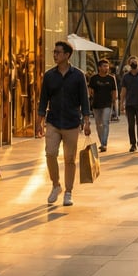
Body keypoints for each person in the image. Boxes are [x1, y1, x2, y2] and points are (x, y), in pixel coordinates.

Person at [37, 41, 92, 207]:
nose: (55, 55)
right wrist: (39, 121)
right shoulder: (49, 76)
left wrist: (87, 121)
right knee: (50, 154)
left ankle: (68, 192)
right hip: (53, 121)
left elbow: (84, 100)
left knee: (69, 159)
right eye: (54, 52)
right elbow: (43, 100)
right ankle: (56, 185)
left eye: (58, 52)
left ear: (67, 55)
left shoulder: (78, 75)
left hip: (72, 122)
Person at [87, 59, 117, 152]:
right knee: (98, 125)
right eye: (104, 66)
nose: (106, 68)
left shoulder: (111, 78)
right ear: (99, 67)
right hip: (96, 104)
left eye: (107, 66)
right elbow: (90, 90)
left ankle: (104, 144)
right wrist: (90, 98)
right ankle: (102, 141)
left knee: (105, 123)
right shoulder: (94, 78)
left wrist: (114, 102)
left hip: (107, 104)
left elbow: (114, 91)